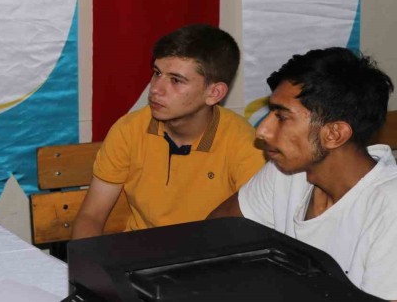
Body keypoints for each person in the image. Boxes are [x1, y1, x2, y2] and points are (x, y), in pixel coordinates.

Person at [208, 47, 397, 300]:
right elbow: (216, 234)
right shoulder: (287, 171)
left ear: (334, 134)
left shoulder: (389, 207)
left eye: (282, 117)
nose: (262, 131)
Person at [73, 24, 265, 239]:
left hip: (211, 254)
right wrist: (87, 260)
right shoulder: (129, 129)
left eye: (176, 80)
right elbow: (91, 216)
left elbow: (256, 231)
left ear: (214, 93)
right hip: (139, 251)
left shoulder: (244, 143)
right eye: (157, 73)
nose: (155, 89)